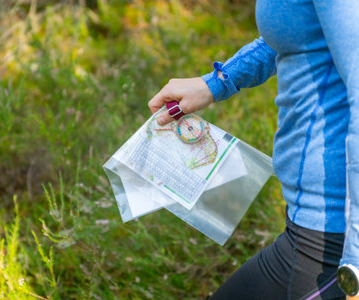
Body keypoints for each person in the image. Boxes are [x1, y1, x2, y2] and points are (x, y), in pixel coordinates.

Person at [148, 1, 359, 299]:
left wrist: (355, 266)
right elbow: (304, 28)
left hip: (331, 239)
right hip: (311, 228)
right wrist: (216, 83)